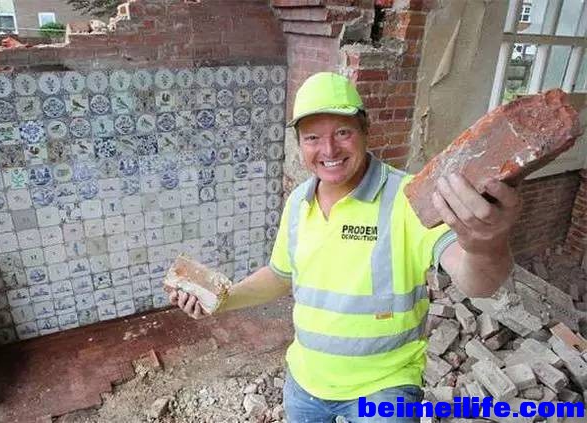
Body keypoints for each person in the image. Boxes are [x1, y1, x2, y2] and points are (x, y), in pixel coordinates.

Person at [168, 72, 521, 422]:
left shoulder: (409, 198)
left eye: (342, 132)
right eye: (312, 138)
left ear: (365, 131)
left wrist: (485, 244)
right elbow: (280, 276)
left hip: (383, 389)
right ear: (299, 143)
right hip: (305, 384)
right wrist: (223, 300)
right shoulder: (298, 202)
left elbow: (479, 283)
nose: (329, 150)